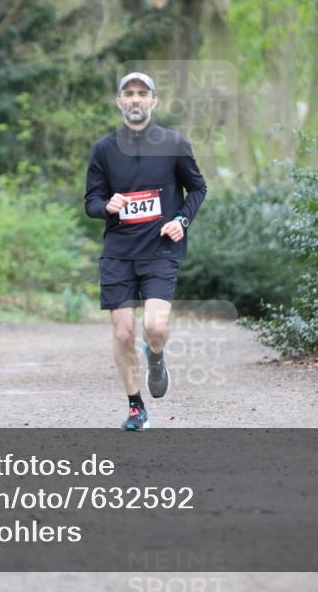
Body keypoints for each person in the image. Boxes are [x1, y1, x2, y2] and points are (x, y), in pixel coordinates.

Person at [84, 72, 207, 430]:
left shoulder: (174, 144)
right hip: (119, 252)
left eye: (142, 94)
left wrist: (181, 221)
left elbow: (198, 189)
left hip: (160, 250)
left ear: (153, 101)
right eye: (129, 94)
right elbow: (91, 201)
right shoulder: (104, 149)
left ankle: (155, 355)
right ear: (120, 102)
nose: (135, 99)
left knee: (154, 327)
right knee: (123, 334)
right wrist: (107, 205)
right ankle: (136, 406)